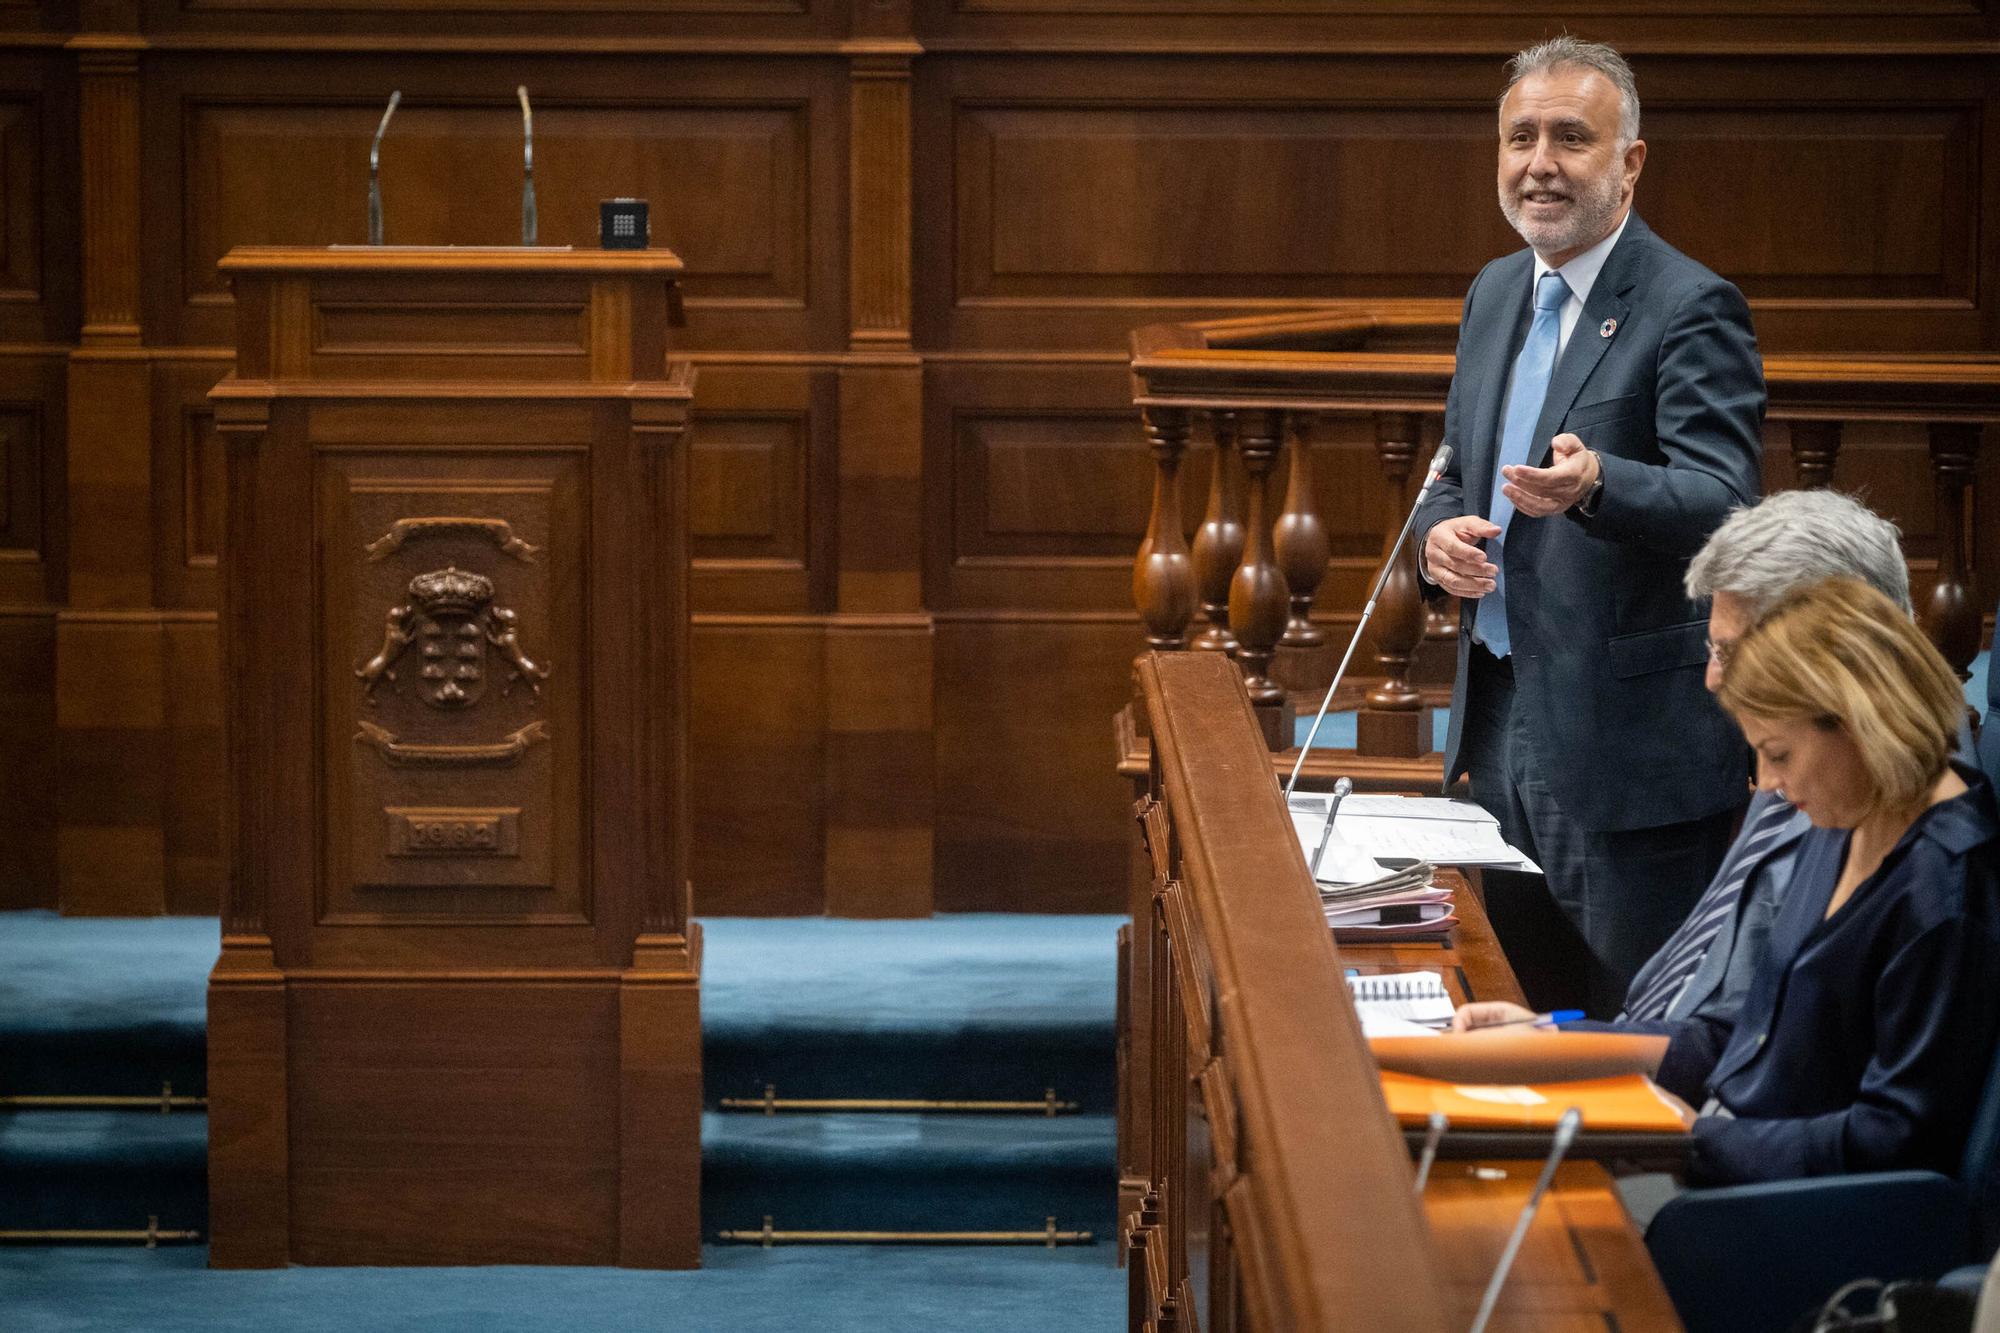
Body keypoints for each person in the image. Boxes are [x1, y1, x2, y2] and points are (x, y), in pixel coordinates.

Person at [1415, 36, 1766, 1016]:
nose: (1539, 163)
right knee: (1512, 1005)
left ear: (1629, 160)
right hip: (1495, 718)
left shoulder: (1687, 305)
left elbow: (1726, 503)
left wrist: (1602, 483)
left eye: (1570, 138)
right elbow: (1451, 472)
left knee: (1636, 1029)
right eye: (1518, 137)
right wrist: (1435, 538)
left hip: (1625, 750)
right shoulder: (1491, 292)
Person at [1457, 577, 2000, 1186]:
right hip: (1720, 1156)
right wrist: (1556, 1044)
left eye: (1779, 754)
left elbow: (1894, 1142)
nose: (1767, 784)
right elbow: (1741, 1038)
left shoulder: (1942, 894)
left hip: (1786, 1216)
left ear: (1859, 724)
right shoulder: (1851, 812)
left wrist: (1692, 1142)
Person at [1617, 489, 1912, 1026]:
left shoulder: (1862, 799)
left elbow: (1753, 1046)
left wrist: (1583, 1055)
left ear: (1833, 647)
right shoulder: (1794, 747)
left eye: (1730, 651)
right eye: (1713, 649)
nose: (1714, 679)